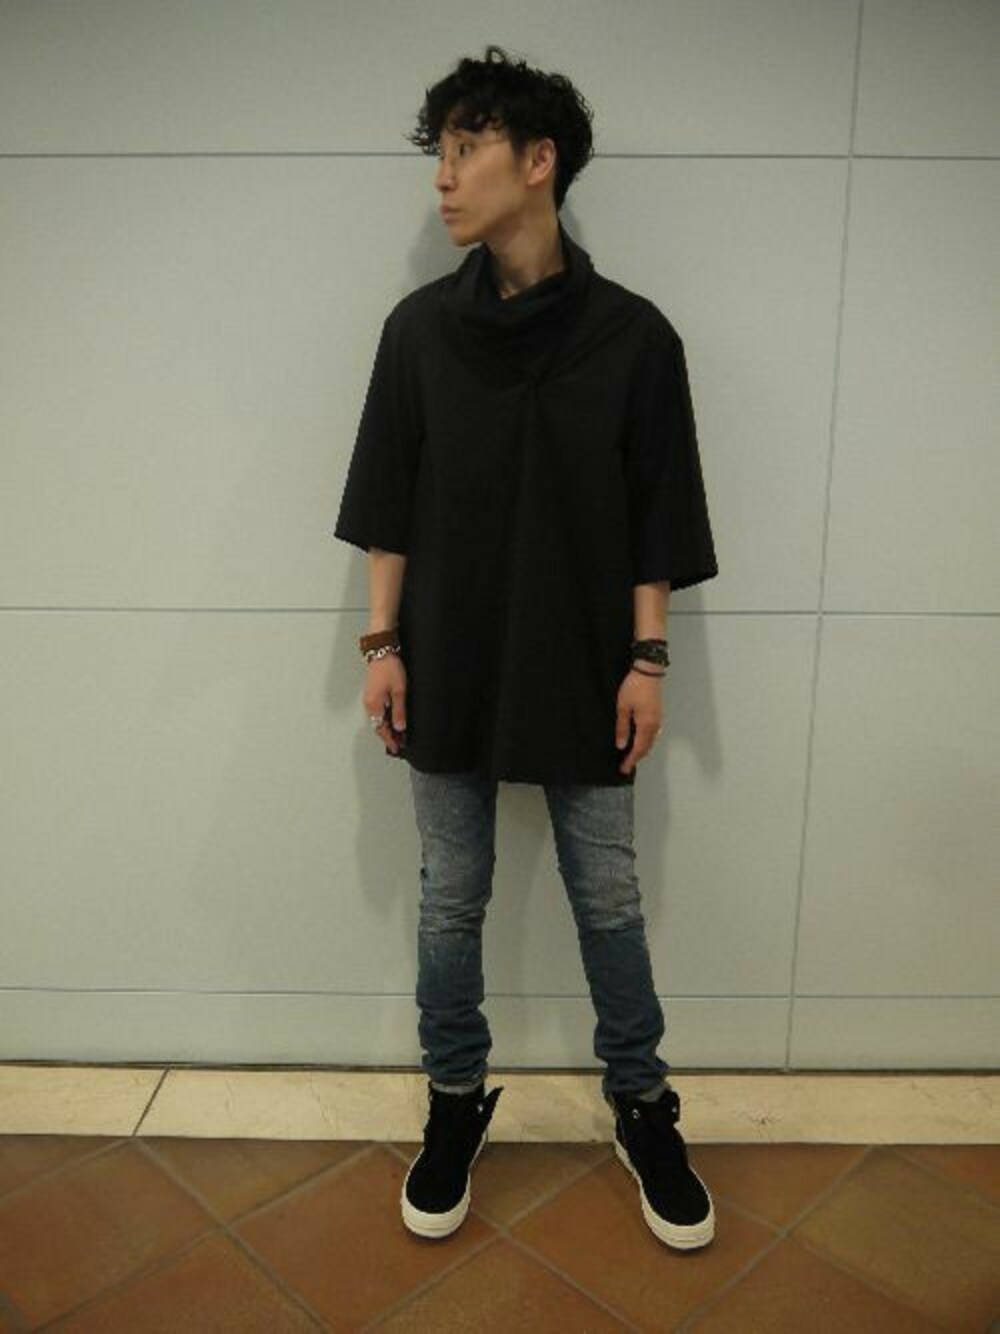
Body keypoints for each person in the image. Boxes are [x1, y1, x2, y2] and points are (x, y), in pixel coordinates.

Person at [332, 45, 718, 1250]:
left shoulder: (634, 339)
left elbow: (657, 516)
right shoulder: (417, 334)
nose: (442, 178)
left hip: (587, 663)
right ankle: (456, 1097)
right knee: (452, 893)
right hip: (444, 656)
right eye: (439, 153)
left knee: (609, 892)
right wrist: (381, 643)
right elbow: (387, 503)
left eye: (466, 149)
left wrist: (648, 660)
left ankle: (641, 1103)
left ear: (538, 160)